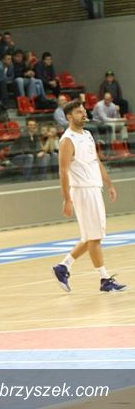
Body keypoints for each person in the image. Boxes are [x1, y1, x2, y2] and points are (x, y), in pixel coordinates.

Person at [52, 100, 126, 292]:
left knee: (90, 236)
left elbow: (96, 161)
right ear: (69, 116)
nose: (84, 114)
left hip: (94, 188)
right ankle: (104, 279)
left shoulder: (87, 135)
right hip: (82, 191)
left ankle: (63, 266)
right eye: (79, 112)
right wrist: (67, 199)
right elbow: (63, 171)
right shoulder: (67, 140)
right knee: (95, 237)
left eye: (84, 111)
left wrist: (109, 184)